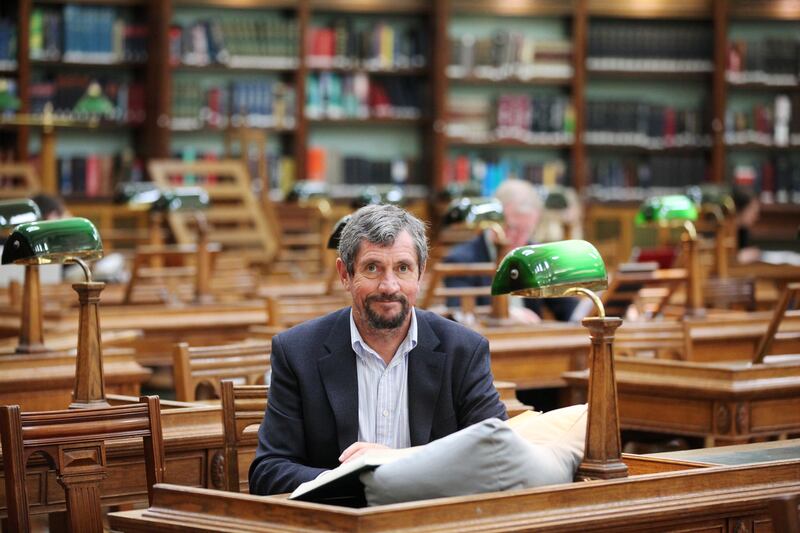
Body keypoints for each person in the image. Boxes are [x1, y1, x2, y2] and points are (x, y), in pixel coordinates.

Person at [249, 204, 506, 496]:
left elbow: (497, 455)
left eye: (403, 268)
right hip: (341, 516)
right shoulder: (297, 352)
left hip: (431, 515)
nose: (389, 286)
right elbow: (268, 472)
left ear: (420, 274)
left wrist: (397, 461)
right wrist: (353, 480)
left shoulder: (464, 350)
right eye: (372, 268)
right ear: (345, 274)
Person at [442, 179, 579, 323]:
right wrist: (509, 314)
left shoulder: (537, 256)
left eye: (526, 230)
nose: (517, 238)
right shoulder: (460, 259)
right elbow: (459, 316)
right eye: (511, 227)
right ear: (493, 218)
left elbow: (569, 309)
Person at [731, 185, 761, 265]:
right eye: (753, 211)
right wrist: (738, 257)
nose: (756, 217)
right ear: (740, 210)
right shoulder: (722, 230)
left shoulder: (743, 230)